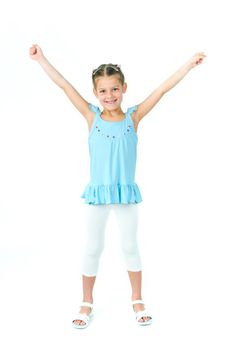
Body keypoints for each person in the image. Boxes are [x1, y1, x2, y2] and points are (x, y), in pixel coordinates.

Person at [29, 44, 206, 328]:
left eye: (114, 89)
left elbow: (162, 89)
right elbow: (64, 85)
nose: (109, 95)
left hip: (125, 195)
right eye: (103, 91)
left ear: (123, 88)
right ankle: (86, 301)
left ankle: (137, 299)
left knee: (129, 246)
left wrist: (188, 64)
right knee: (92, 247)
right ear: (95, 93)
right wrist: (41, 60)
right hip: (98, 195)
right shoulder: (92, 117)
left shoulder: (133, 118)